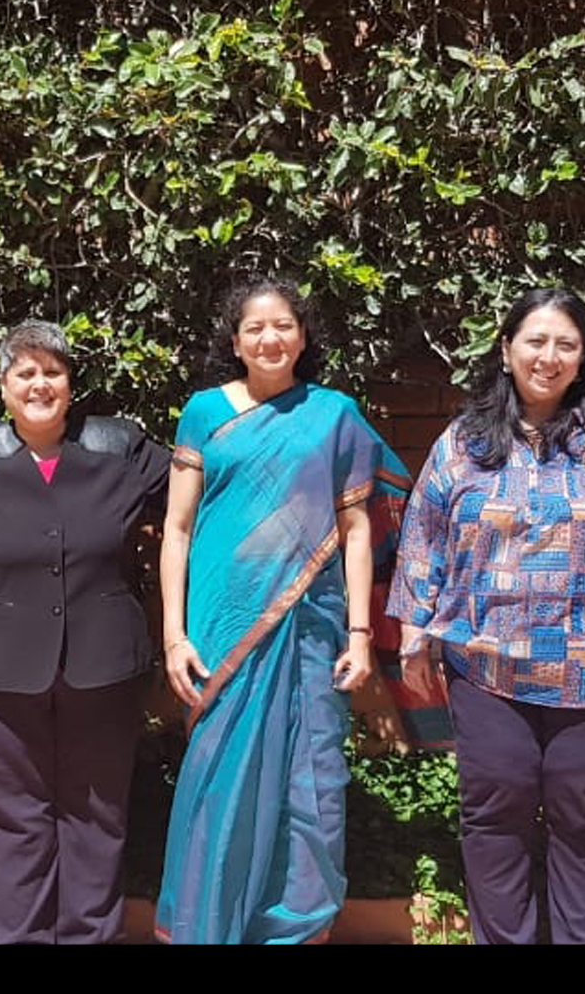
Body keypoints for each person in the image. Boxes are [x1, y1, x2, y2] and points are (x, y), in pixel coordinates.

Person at [388, 289, 585, 945]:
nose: (549, 357)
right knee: (494, 817)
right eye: (535, 341)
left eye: (565, 344)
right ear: (506, 350)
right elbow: (423, 538)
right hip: (484, 668)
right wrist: (412, 632)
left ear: (583, 358)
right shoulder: (463, 444)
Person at [155, 277, 409, 944]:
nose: (270, 339)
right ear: (235, 342)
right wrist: (174, 636)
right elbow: (176, 529)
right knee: (220, 781)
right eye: (255, 328)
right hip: (223, 626)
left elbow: (356, 529)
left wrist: (360, 634)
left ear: (302, 336)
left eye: (283, 325)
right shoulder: (204, 413)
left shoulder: (334, 415)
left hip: (311, 628)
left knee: (311, 785)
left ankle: (298, 932)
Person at [0, 320, 170, 944]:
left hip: (103, 665)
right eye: (24, 373)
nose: (39, 384)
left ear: (70, 383)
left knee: (97, 817)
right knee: (13, 821)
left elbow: (199, 501)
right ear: (3, 386)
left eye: (52, 371)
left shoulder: (120, 449)